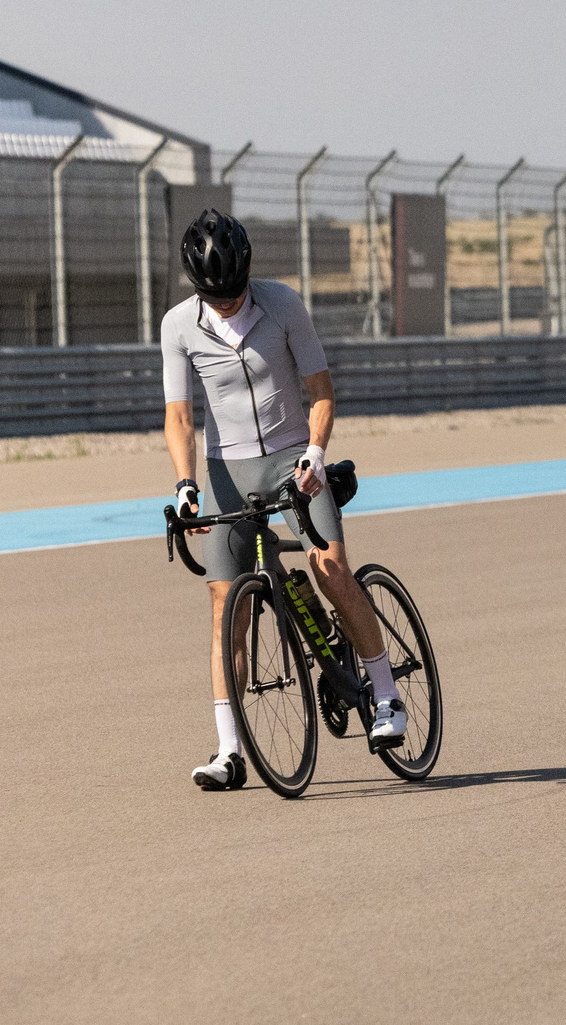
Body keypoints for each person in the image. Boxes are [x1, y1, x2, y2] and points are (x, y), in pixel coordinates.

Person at [162, 208, 404, 790]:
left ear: (249, 274)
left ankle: (388, 696)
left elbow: (320, 391)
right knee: (227, 606)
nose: (227, 304)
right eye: (214, 296)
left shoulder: (284, 304)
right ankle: (229, 751)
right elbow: (178, 414)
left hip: (295, 457)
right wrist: (185, 484)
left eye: (235, 293)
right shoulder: (177, 325)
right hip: (227, 469)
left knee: (329, 565)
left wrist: (316, 453)